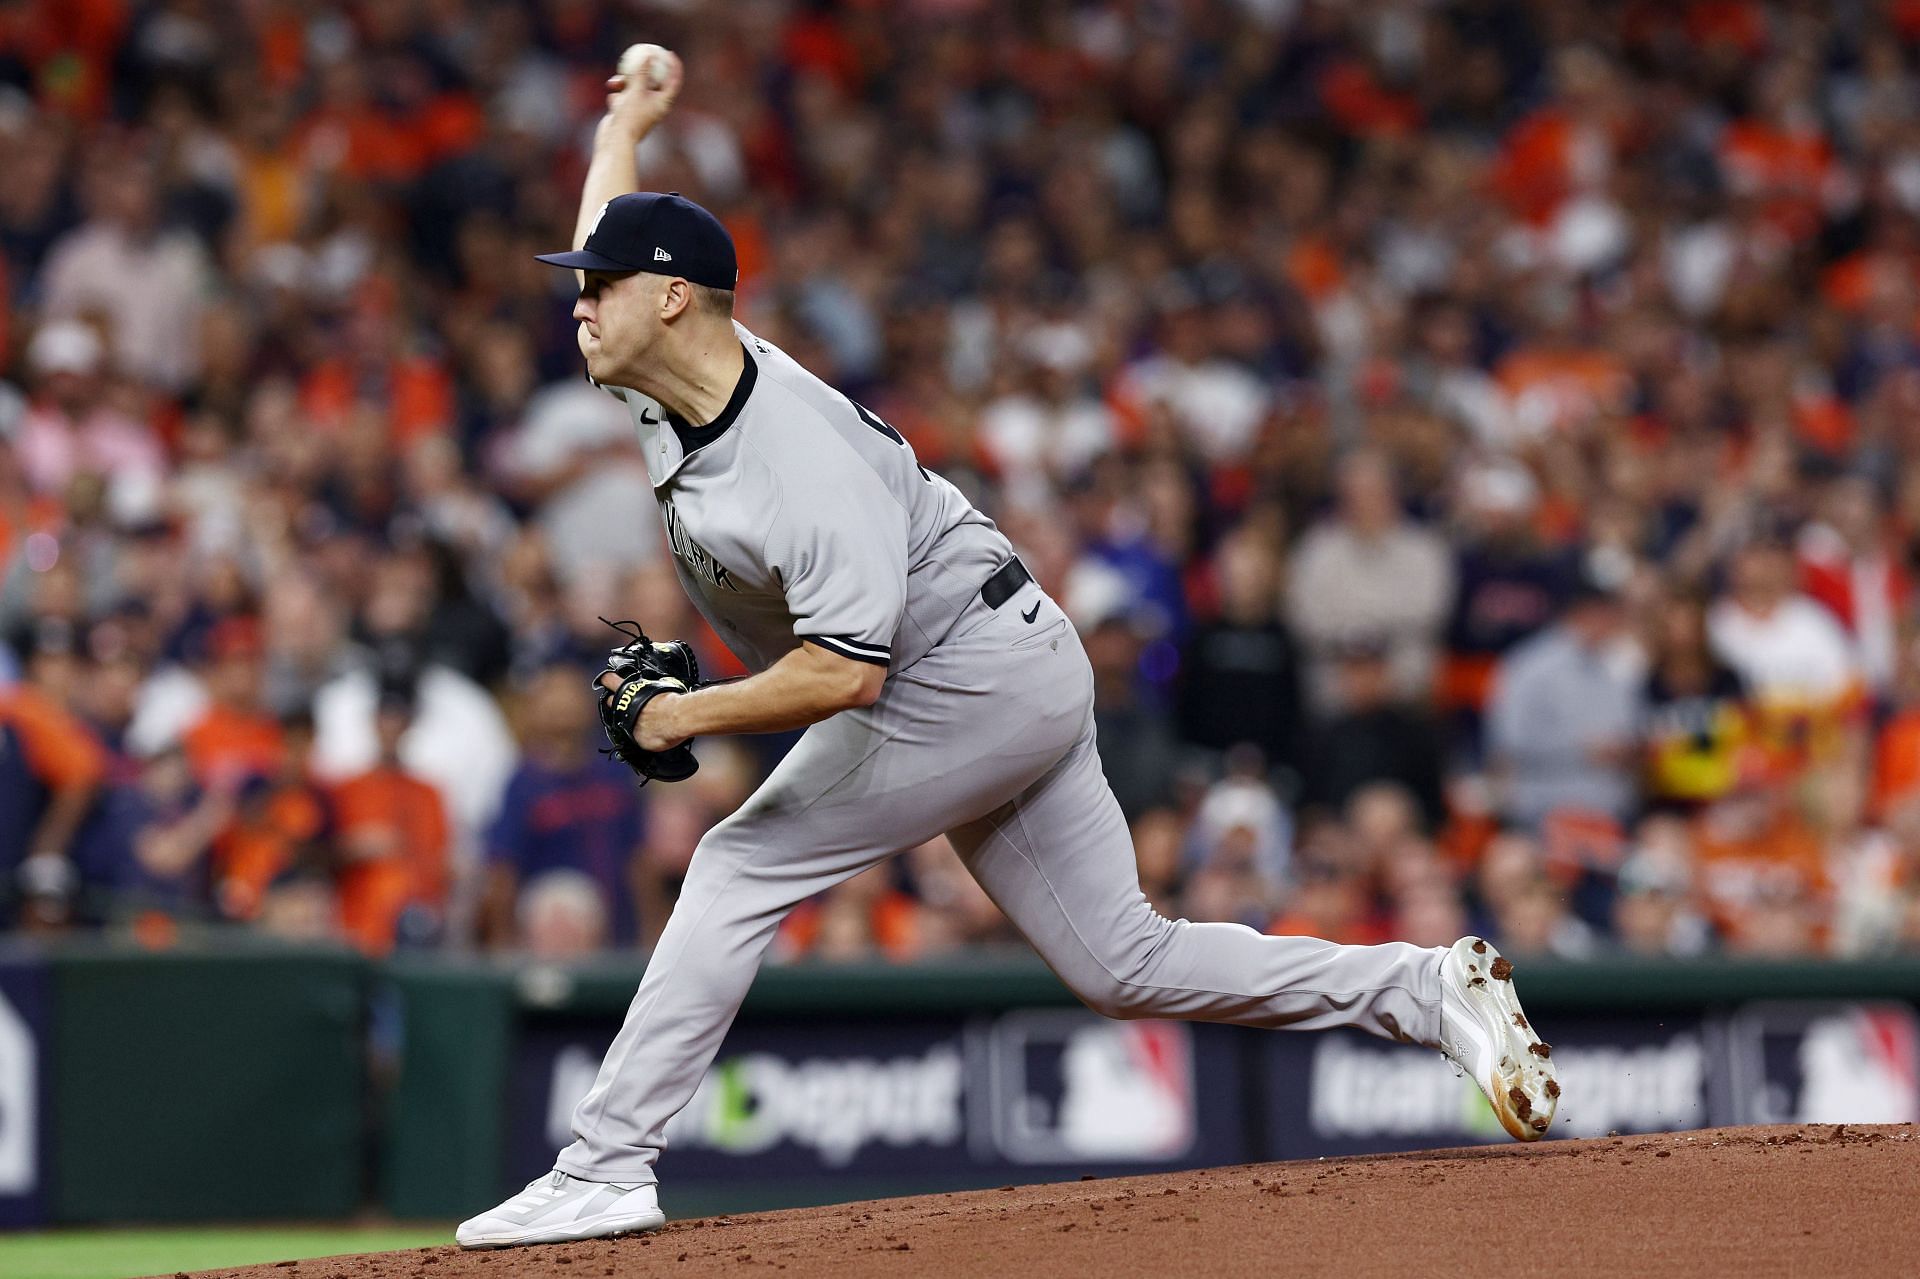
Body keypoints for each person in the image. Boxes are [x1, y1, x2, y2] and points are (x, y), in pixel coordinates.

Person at [455, 49, 1559, 1250]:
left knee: (734, 864)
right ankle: (1422, 988)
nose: (578, 302)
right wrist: (627, 124)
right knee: (1124, 962)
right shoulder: (654, 365)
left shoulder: (796, 466)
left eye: (600, 286)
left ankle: (607, 1165)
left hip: (956, 671)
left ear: (672, 298)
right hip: (996, 656)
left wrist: (676, 719)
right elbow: (609, 232)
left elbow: (848, 677)